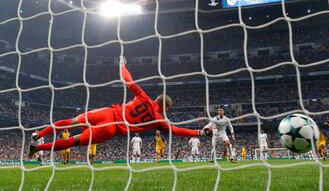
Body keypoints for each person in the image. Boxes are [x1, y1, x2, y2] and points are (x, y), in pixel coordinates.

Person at [28, 57, 203, 158]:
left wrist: (122, 65)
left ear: (156, 99)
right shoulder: (160, 121)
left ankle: (39, 134)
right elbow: (177, 130)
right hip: (111, 129)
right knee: (73, 141)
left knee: (72, 121)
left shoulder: (144, 98)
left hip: (108, 113)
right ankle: (37, 148)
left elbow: (128, 80)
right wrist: (199, 133)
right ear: (165, 107)